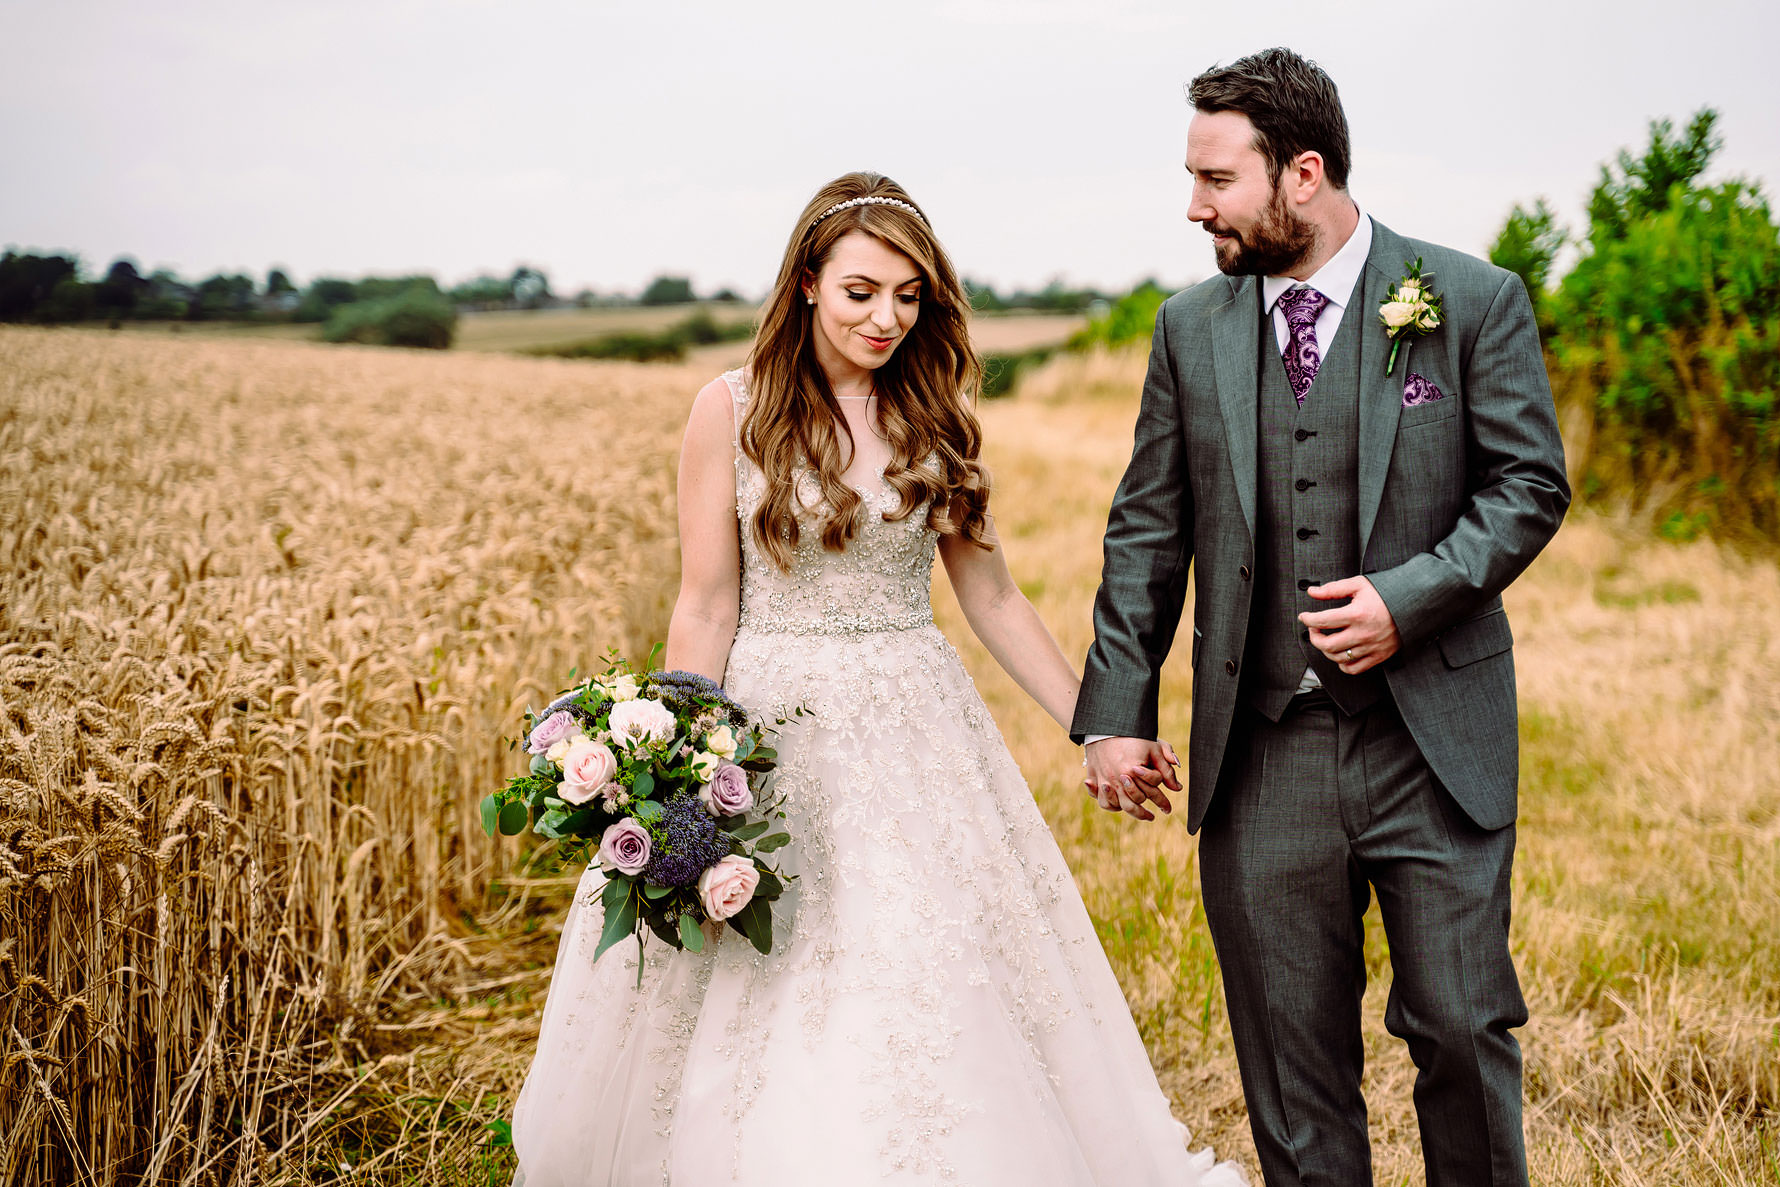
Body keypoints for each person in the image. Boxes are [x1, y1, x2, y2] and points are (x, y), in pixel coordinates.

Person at [509, 172, 1245, 1187]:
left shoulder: (934, 411)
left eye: (909, 294)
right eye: (861, 290)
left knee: (923, 954)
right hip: (769, 724)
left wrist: (1097, 723)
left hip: (917, 722)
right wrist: (675, 767)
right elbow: (707, 603)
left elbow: (992, 599)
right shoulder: (727, 409)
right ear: (807, 282)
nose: (886, 316)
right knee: (758, 950)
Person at [1073, 48, 1571, 1187]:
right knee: (1291, 1068)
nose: (1193, 203)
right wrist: (1114, 711)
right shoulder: (1188, 326)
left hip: (1428, 742)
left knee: (1458, 1024)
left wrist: (1410, 597)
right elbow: (1148, 527)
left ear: (1303, 172)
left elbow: (1528, 487)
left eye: (1214, 178)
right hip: (1261, 745)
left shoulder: (1468, 299)